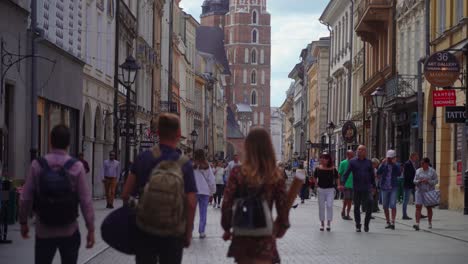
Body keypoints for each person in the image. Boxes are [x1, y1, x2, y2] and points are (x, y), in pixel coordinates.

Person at [121, 113, 197, 264]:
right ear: (179, 134)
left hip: (146, 229)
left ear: (157, 132)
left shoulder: (143, 158)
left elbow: (125, 194)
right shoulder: (184, 164)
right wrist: (188, 233)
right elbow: (191, 203)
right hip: (173, 232)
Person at [19, 124, 95, 264]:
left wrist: (23, 222)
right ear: (68, 143)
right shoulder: (76, 166)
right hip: (69, 230)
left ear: (50, 141)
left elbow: (26, 197)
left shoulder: (37, 165)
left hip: (44, 230)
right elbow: (86, 200)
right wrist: (90, 228)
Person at [221, 128, 289, 264]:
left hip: (242, 233)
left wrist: (227, 227)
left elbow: (227, 203)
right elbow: (283, 206)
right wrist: (281, 227)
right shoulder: (275, 174)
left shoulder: (237, 173)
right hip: (264, 234)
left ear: (248, 147)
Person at [343, 145, 376, 233]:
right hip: (357, 188)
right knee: (357, 207)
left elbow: (372, 175)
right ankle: (358, 225)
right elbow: (346, 173)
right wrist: (342, 184)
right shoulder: (352, 162)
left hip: (367, 188)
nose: (359, 151)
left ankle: (366, 224)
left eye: (362, 150)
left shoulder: (368, 162)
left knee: (369, 204)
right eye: (358, 149)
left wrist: (374, 186)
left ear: (365, 152)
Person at [193, 150, 216, 238]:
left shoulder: (192, 166)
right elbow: (211, 180)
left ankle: (190, 230)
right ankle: (201, 231)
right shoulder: (207, 167)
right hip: (205, 191)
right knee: (203, 212)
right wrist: (212, 192)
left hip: (194, 191)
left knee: (192, 212)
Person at [314, 153, 340, 231]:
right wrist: (316, 185)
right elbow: (315, 177)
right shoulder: (318, 168)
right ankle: (322, 223)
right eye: (321, 158)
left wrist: (338, 185)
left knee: (329, 205)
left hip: (330, 189)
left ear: (328, 160)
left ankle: (328, 223)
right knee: (321, 207)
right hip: (321, 189)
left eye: (324, 158)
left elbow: (337, 177)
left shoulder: (332, 169)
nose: (322, 159)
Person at [377, 150, 400, 230]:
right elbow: (378, 172)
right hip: (384, 187)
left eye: (391, 158)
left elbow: (399, 173)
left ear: (394, 158)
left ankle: (393, 222)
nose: (389, 160)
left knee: (393, 204)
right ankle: (387, 221)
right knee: (385, 205)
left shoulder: (396, 165)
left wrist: (394, 164)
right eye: (388, 158)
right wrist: (382, 164)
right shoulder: (384, 165)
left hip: (393, 187)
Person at [413, 157, 438, 231]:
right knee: (418, 207)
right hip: (419, 191)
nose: (421, 164)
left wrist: (428, 181)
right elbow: (414, 180)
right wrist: (419, 181)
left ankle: (430, 222)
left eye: (423, 163)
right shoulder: (418, 171)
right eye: (421, 163)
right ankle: (417, 224)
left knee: (429, 207)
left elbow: (436, 181)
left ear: (427, 164)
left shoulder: (432, 171)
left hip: (428, 192)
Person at [338, 150, 355, 220]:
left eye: (353, 154)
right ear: (348, 155)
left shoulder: (354, 163)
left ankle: (346, 212)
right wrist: (339, 184)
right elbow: (339, 174)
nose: (353, 156)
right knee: (347, 199)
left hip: (353, 184)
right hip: (345, 184)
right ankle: (345, 212)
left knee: (350, 200)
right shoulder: (343, 163)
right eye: (351, 155)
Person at [402, 152, 419, 220]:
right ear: (412, 156)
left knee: (418, 200)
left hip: (412, 184)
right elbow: (407, 175)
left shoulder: (413, 163)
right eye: (416, 156)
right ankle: (404, 215)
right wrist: (413, 181)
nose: (417, 158)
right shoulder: (407, 164)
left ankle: (419, 213)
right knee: (405, 200)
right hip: (408, 184)